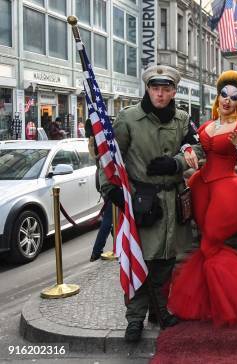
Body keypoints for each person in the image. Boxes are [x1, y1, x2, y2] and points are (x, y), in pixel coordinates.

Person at [100, 64, 203, 342]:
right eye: (155, 88)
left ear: (173, 91)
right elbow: (110, 156)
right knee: (140, 261)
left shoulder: (182, 118)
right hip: (141, 201)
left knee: (167, 262)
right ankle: (134, 320)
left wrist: (177, 162)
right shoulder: (128, 118)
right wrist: (112, 191)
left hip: (172, 200)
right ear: (148, 89)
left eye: (166, 89)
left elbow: (198, 148)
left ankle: (159, 312)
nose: (160, 93)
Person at [167, 70, 237, 327]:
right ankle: (209, 302)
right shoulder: (205, 125)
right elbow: (189, 143)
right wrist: (188, 148)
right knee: (206, 244)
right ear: (218, 96)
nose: (227, 100)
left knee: (210, 244)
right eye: (224, 94)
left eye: (233, 97)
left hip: (228, 190)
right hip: (201, 186)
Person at [84, 118, 113, 262]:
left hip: (102, 179)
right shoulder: (99, 140)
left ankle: (117, 245)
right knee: (109, 216)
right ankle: (97, 250)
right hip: (106, 179)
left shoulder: (94, 139)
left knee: (113, 215)